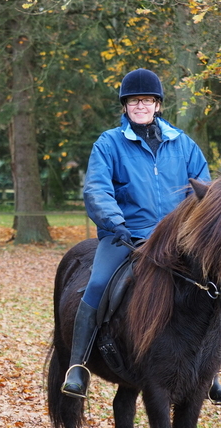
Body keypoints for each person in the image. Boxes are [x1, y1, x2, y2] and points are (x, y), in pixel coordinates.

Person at [61, 68, 213, 399]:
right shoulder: (109, 144)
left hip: (177, 241)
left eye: (147, 100)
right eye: (134, 101)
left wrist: (191, 231)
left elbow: (203, 190)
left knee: (213, 285)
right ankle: (78, 366)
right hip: (126, 236)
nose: (140, 106)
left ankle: (212, 368)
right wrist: (116, 223)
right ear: (125, 106)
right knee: (98, 284)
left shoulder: (183, 144)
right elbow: (97, 189)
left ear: (157, 105)